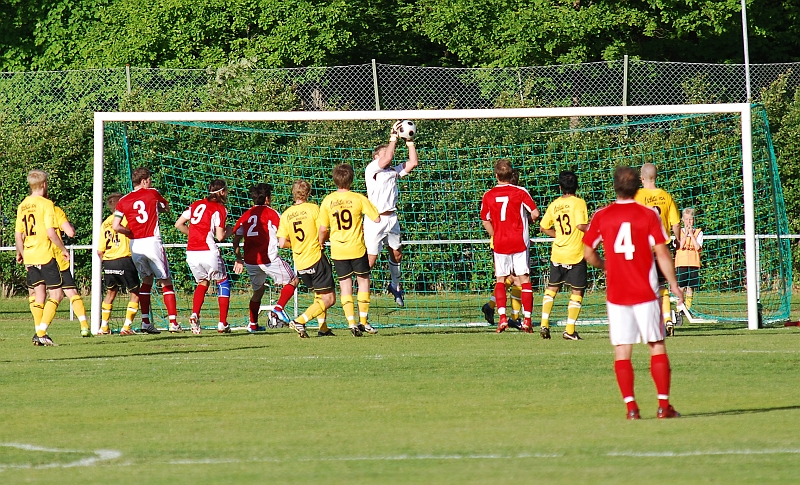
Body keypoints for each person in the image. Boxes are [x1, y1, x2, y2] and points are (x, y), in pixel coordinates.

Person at [583, 165, 683, 420]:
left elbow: (587, 253)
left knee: (622, 349)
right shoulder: (648, 215)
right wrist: (673, 284)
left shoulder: (602, 216)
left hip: (617, 294)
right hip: (646, 292)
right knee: (656, 344)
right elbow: (662, 253)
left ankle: (631, 408)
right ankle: (663, 406)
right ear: (637, 188)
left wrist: (606, 265)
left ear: (615, 187)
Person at [112, 167, 177, 334]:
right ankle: (173, 322)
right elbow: (166, 207)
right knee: (165, 280)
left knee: (146, 280)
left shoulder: (123, 200)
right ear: (144, 181)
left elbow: (116, 226)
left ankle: (145, 321)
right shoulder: (152, 193)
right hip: (152, 242)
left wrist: (130, 232)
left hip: (135, 244)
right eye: (149, 180)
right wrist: (159, 209)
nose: (151, 182)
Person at [319, 164, 381, 337]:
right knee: (363, 282)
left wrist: (321, 242)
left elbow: (323, 228)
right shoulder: (358, 198)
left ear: (335, 180)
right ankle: (363, 321)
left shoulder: (328, 200)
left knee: (345, 286)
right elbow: (376, 218)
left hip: (338, 250)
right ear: (352, 180)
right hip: (357, 248)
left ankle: (351, 322)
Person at [479, 159, 539, 333]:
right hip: (519, 241)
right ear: (512, 175)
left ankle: (503, 318)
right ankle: (527, 320)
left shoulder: (488, 195)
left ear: (496, 175)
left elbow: (485, 219)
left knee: (500, 279)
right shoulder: (520, 191)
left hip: (500, 242)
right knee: (524, 279)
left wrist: (495, 233)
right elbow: (535, 213)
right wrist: (527, 222)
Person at [364, 120, 419, 307]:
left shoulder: (393, 172)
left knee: (396, 254)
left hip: (391, 218)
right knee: (370, 259)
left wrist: (409, 141)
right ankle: (361, 293)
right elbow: (387, 158)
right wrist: (393, 138)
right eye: (384, 152)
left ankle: (395, 285)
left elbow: (413, 163)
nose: (389, 156)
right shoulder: (372, 170)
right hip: (375, 219)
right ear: (375, 158)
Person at [232, 183, 299, 333]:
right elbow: (284, 234)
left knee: (258, 291)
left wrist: (238, 258)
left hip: (250, 261)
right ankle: (278, 309)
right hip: (268, 259)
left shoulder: (246, 215)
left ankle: (253, 325)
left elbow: (235, 240)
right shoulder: (272, 213)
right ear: (267, 199)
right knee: (294, 280)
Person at [15, 170, 69, 346]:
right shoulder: (46, 204)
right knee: (57, 294)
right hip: (44, 254)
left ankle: (39, 331)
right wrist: (63, 249)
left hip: (29, 255)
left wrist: (21, 253)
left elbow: (18, 234)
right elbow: (51, 233)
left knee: (39, 295)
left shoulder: (22, 205)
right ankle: (41, 332)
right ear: (44, 184)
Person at [277, 179, 337, 338]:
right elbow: (322, 230)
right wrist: (323, 240)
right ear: (308, 193)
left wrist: (296, 245)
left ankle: (323, 328)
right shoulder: (313, 209)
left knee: (320, 295)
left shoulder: (286, 214)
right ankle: (300, 321)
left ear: (293, 194)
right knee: (330, 299)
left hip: (301, 264)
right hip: (316, 258)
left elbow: (282, 243)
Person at [175, 179, 233, 334]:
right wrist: (230, 230)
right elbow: (220, 236)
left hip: (192, 252)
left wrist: (193, 234)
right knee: (223, 281)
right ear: (221, 192)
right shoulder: (220, 208)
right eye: (226, 191)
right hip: (208, 250)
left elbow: (178, 224)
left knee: (202, 282)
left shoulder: (195, 205)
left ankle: (195, 314)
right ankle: (222, 323)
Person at [538, 170, 589, 341]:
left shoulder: (554, 205)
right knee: (577, 291)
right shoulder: (579, 203)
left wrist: (558, 236)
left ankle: (544, 323)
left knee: (552, 288)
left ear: (560, 187)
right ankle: (569, 330)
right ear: (577, 186)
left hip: (557, 253)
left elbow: (543, 226)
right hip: (575, 253)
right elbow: (582, 226)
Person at [635, 163, 681, 336]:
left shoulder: (637, 196)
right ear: (656, 177)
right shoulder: (665, 196)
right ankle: (667, 319)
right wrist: (677, 240)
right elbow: (675, 222)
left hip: (643, 247)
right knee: (662, 285)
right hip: (662, 246)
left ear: (642, 178)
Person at [98, 192, 140, 335]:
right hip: (124, 260)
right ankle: (126, 327)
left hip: (108, 262)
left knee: (110, 293)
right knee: (135, 293)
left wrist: (107, 261)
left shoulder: (105, 223)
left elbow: (99, 250)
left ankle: (104, 327)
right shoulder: (126, 219)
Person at [52, 205, 91, 337]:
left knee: (37, 294)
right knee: (70, 293)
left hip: (34, 256)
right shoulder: (54, 210)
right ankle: (84, 326)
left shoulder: (24, 209)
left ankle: (39, 329)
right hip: (55, 257)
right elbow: (70, 232)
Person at [674, 207, 703, 314]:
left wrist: (691, 234)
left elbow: (698, 247)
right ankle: (679, 308)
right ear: (682, 220)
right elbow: (680, 246)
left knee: (690, 287)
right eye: (686, 219)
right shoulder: (679, 232)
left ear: (694, 220)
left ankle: (688, 309)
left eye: (690, 219)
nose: (688, 222)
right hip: (681, 263)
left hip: (693, 263)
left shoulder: (698, 233)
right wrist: (686, 234)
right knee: (681, 287)